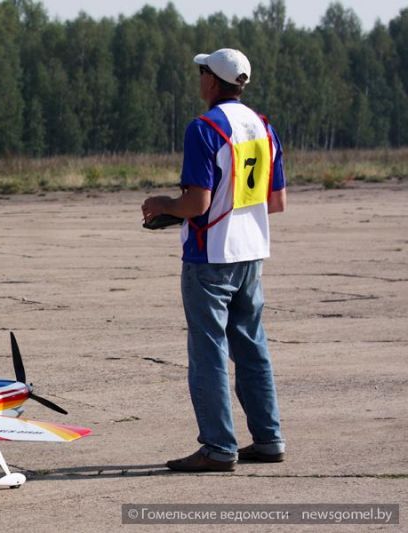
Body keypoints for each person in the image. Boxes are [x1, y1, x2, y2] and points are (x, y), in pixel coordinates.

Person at [141, 48, 287, 472]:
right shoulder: (263, 126)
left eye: (201, 72)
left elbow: (197, 203)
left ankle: (219, 447)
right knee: (252, 348)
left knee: (208, 353)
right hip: (251, 253)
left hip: (210, 257)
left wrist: (162, 204)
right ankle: (269, 439)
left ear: (211, 81)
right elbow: (276, 202)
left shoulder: (203, 128)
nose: (199, 79)